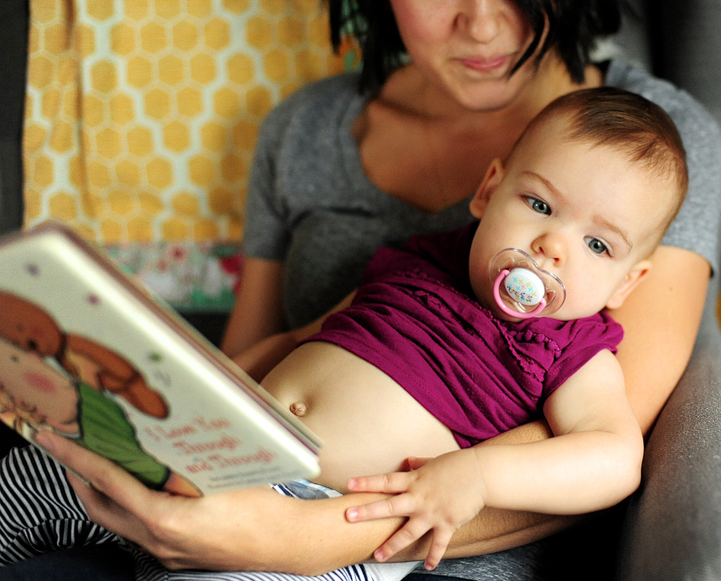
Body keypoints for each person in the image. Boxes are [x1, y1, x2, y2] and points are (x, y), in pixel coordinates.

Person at [9, 0, 721, 579]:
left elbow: (605, 453)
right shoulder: (332, 163)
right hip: (233, 474)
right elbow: (270, 347)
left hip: (388, 545)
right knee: (42, 479)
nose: (481, 22)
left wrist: (306, 538)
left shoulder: (656, 161)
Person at [0, 86, 686, 581]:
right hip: (229, 452)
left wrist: (478, 474)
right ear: (488, 193)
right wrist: (197, 392)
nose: (551, 245)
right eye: (539, 204)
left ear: (629, 282)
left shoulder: (571, 348)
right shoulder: (422, 261)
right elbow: (306, 334)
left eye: (598, 245)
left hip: (332, 528)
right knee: (39, 469)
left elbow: (613, 456)